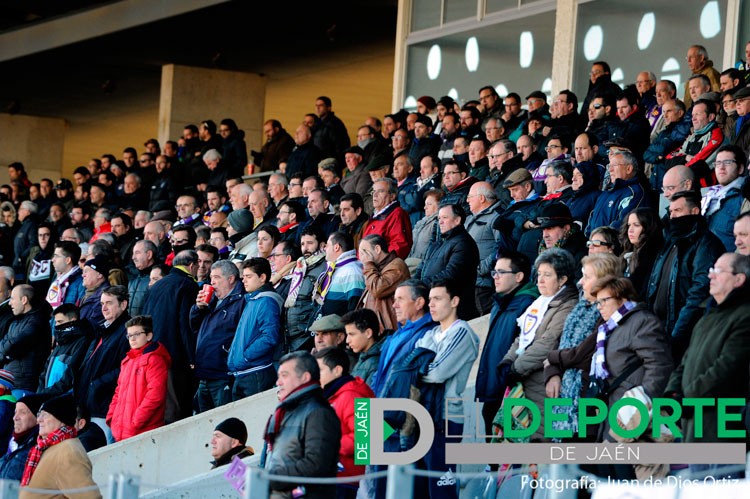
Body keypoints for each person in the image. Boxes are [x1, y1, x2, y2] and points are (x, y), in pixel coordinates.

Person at [588, 277, 672, 479]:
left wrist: (641, 405)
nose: (599, 307)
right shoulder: (609, 328)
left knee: (631, 478)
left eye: (604, 301)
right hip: (614, 416)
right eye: (597, 302)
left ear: (622, 299)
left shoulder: (641, 321)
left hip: (632, 420)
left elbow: (660, 365)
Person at [665, 253, 750, 443]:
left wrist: (687, 398)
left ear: (739, 279)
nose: (711, 275)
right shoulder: (707, 314)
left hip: (720, 429)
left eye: (719, 271)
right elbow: (686, 361)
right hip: (693, 424)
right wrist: (672, 394)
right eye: (711, 270)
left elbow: (726, 368)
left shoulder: (744, 316)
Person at [497, 248, 578, 440]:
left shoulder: (568, 305)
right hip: (527, 383)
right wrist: (507, 361)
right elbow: (522, 336)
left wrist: (516, 368)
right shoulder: (539, 302)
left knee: (542, 448)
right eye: (539, 274)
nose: (540, 280)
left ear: (563, 279)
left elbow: (547, 343)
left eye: (547, 275)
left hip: (545, 385)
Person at [543, 253, 622, 439]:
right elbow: (558, 345)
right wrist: (552, 373)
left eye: (586, 277)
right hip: (564, 393)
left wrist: (551, 359)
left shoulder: (607, 315)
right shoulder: (580, 308)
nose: (580, 282)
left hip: (586, 399)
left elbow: (580, 356)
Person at [413, 280, 479, 499]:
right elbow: (410, 367)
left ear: (454, 301)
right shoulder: (430, 334)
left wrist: (419, 368)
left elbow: (437, 372)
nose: (431, 304)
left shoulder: (462, 332)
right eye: (430, 299)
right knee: (420, 486)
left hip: (446, 417)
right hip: (423, 415)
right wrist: (418, 368)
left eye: (438, 299)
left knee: (441, 486)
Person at [647, 191, 725, 361]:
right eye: (671, 212)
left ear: (695, 211)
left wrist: (676, 335)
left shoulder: (706, 244)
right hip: (659, 329)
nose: (672, 216)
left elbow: (699, 292)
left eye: (678, 211)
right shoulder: (670, 241)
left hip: (683, 336)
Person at [475, 252, 539, 437]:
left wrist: (508, 375)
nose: (495, 277)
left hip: (512, 386)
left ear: (518, 276)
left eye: (501, 272)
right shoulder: (499, 302)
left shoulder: (527, 305)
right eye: (494, 272)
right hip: (495, 381)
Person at [262, 351, 340, 499]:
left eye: (284, 375)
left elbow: (315, 465)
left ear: (305, 377)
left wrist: (271, 478)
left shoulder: (318, 413)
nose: (278, 382)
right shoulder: (289, 411)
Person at [142, 250, 199, 422]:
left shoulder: (156, 285)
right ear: (191, 266)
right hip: (176, 356)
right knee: (178, 409)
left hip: (153, 353)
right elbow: (185, 323)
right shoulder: (187, 285)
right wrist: (192, 358)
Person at [313, 347, 374, 499]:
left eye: (319, 370)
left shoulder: (354, 395)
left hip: (348, 483)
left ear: (337, 370)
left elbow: (364, 440)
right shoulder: (332, 396)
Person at [75, 285, 130, 443]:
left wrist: (97, 384)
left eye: (109, 303)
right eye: (102, 303)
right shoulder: (102, 331)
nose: (104, 308)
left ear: (123, 304)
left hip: (105, 408)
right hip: (90, 407)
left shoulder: (126, 331)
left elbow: (124, 368)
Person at [19, 394, 101, 499]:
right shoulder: (46, 448)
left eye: (45, 415)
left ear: (62, 420)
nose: (39, 420)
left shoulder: (68, 451)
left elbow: (88, 496)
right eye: (39, 415)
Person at [191, 260, 245, 412]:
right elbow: (194, 327)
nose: (212, 282)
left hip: (223, 373)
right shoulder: (212, 300)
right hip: (204, 372)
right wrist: (198, 308)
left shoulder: (241, 300)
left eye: (217, 277)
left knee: (224, 418)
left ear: (231, 279)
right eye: (211, 278)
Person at [106, 316, 170, 442]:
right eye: (129, 335)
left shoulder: (155, 359)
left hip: (141, 432)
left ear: (149, 336)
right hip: (120, 430)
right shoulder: (127, 360)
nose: (132, 339)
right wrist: (112, 417)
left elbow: (155, 396)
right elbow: (118, 393)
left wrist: (135, 422)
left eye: (137, 334)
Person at [228, 258, 283, 401]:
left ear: (262, 277)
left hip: (256, 372)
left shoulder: (267, 301)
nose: (244, 281)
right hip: (243, 372)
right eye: (243, 277)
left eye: (249, 277)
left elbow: (269, 336)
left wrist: (246, 356)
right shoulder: (253, 300)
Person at [416, 204, 480, 321]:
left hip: (456, 311)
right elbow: (421, 267)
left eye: (444, 218)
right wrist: (414, 284)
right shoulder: (437, 244)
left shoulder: (464, 243)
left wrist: (420, 286)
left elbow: (451, 275)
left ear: (457, 220)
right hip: (434, 304)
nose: (440, 222)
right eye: (439, 218)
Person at [2, 284, 51, 392]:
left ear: (24, 300)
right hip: (8, 381)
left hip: (24, 385)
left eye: (13, 298)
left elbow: (13, 346)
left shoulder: (38, 322)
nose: (10, 303)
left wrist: (7, 351)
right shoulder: (15, 322)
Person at [358, 234, 410, 332]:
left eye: (364, 252)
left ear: (377, 249)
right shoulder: (376, 268)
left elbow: (378, 289)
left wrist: (368, 264)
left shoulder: (396, 266)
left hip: (388, 329)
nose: (362, 257)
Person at [311, 232, 364, 323]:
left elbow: (354, 309)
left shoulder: (352, 272)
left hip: (339, 332)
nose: (324, 249)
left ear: (336, 247)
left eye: (327, 245)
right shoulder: (335, 269)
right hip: (328, 330)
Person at [37, 304, 90, 396]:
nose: (57, 326)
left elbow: (70, 376)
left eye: (60, 321)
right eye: (56, 322)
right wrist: (40, 394)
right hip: (47, 398)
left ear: (72, 320)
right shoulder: (60, 344)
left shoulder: (82, 342)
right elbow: (44, 373)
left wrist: (46, 394)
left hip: (63, 400)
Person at [619, 208, 663, 300]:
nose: (630, 230)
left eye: (636, 225)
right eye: (629, 225)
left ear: (648, 227)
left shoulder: (652, 255)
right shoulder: (627, 253)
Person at [0, 394, 47, 481]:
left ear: (37, 418)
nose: (15, 418)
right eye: (15, 412)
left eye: (22, 412)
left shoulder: (38, 446)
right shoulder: (14, 441)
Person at [341, 309, 382, 386]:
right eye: (347, 335)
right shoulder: (364, 357)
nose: (347, 340)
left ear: (368, 333)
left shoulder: (375, 363)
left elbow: (371, 397)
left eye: (352, 334)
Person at [46, 241, 85, 309]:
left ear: (68, 260)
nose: (52, 260)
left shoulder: (81, 282)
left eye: (56, 256)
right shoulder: (58, 279)